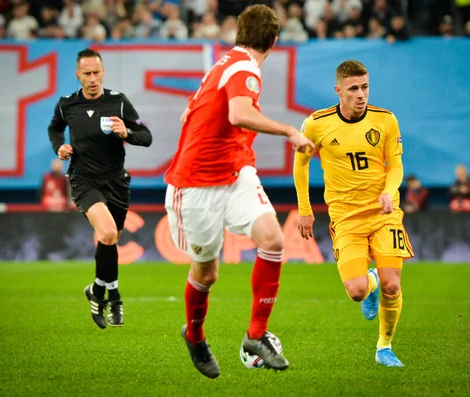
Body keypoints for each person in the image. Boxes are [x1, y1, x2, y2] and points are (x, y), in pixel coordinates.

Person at [164, 4, 314, 379]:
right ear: (274, 41)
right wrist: (290, 131)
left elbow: (197, 110)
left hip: (236, 172)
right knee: (207, 274)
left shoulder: (225, 62)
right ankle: (195, 335)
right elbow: (238, 114)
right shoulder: (245, 68)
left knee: (273, 239)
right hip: (196, 184)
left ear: (239, 33)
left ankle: (256, 335)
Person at [294, 60, 412, 367]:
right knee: (357, 291)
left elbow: (396, 165)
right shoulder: (317, 124)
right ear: (338, 91)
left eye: (365, 87)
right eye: (353, 89)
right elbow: (301, 164)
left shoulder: (385, 120)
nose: (361, 95)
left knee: (393, 285)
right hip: (345, 217)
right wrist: (305, 210)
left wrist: (389, 191)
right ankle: (369, 280)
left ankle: (384, 347)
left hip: (384, 212)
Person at [48, 48, 152, 329]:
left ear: (103, 72)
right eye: (87, 73)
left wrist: (126, 133)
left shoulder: (118, 103)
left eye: (96, 72)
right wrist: (60, 146)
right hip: (84, 181)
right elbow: (55, 129)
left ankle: (98, 290)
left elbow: (146, 136)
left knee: (111, 239)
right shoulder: (66, 104)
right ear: (77, 74)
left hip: (117, 182)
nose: (92, 78)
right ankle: (114, 298)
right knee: (106, 233)